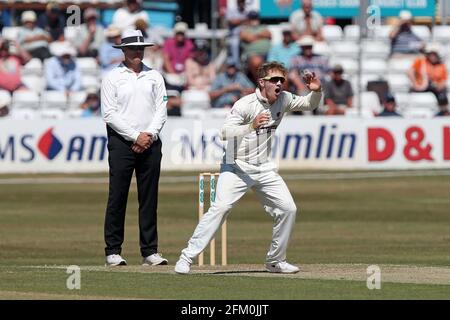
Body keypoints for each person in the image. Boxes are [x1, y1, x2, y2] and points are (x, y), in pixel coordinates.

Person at [174, 61, 322, 274]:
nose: (279, 83)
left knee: (288, 209)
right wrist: (251, 126)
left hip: (265, 168)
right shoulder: (245, 104)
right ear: (262, 82)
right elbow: (224, 133)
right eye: (274, 80)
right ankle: (186, 257)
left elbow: (309, 104)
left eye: (282, 79)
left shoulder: (285, 99)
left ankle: (275, 261)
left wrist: (317, 92)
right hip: (236, 166)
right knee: (221, 208)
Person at [101, 29, 168, 267]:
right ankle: (113, 250)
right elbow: (109, 113)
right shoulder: (112, 77)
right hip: (121, 142)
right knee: (117, 195)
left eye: (140, 49)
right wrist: (134, 136)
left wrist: (148, 135)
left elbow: (161, 110)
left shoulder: (155, 76)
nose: (137, 52)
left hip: (150, 141)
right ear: (123, 51)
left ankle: (150, 251)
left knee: (149, 198)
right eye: (132, 49)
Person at [408, 43, 448, 109]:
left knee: (442, 95)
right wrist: (415, 83)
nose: (433, 57)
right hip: (421, 86)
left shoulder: (441, 66)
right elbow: (410, 72)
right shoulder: (421, 61)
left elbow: (443, 81)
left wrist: (438, 85)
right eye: (431, 54)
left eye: (434, 55)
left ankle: (443, 110)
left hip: (435, 88)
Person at [240, 11, 272, 83]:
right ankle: (261, 84)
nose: (254, 20)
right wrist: (261, 36)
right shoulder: (244, 29)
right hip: (252, 55)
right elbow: (248, 38)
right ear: (248, 19)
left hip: (268, 54)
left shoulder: (263, 27)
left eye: (256, 18)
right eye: (252, 18)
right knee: (257, 62)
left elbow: (268, 34)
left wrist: (255, 37)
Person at [225, 0, 250, 67]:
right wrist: (244, 20)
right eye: (240, 2)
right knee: (234, 43)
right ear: (237, 2)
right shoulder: (231, 10)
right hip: (234, 35)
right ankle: (236, 64)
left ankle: (247, 64)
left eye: (242, 2)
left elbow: (250, 22)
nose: (241, 3)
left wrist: (239, 20)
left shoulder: (246, 11)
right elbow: (231, 22)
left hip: (246, 35)